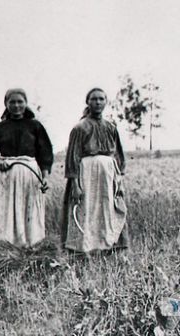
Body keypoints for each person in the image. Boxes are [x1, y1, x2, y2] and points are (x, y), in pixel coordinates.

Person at [0, 88, 54, 246]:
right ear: (6, 104)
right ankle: (5, 246)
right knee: (6, 211)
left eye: (20, 101)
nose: (16, 105)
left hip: (30, 175)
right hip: (7, 176)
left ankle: (31, 245)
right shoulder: (0, 128)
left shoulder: (35, 126)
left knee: (29, 211)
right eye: (12, 102)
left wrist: (44, 178)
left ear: (26, 103)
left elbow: (45, 154)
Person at [61, 87, 129, 253]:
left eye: (101, 99)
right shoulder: (80, 128)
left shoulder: (111, 127)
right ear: (88, 102)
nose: (98, 102)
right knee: (86, 209)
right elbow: (73, 158)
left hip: (108, 175)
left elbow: (118, 157)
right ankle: (84, 249)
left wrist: (119, 180)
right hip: (87, 174)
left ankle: (109, 247)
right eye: (94, 99)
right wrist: (76, 185)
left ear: (106, 102)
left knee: (109, 208)